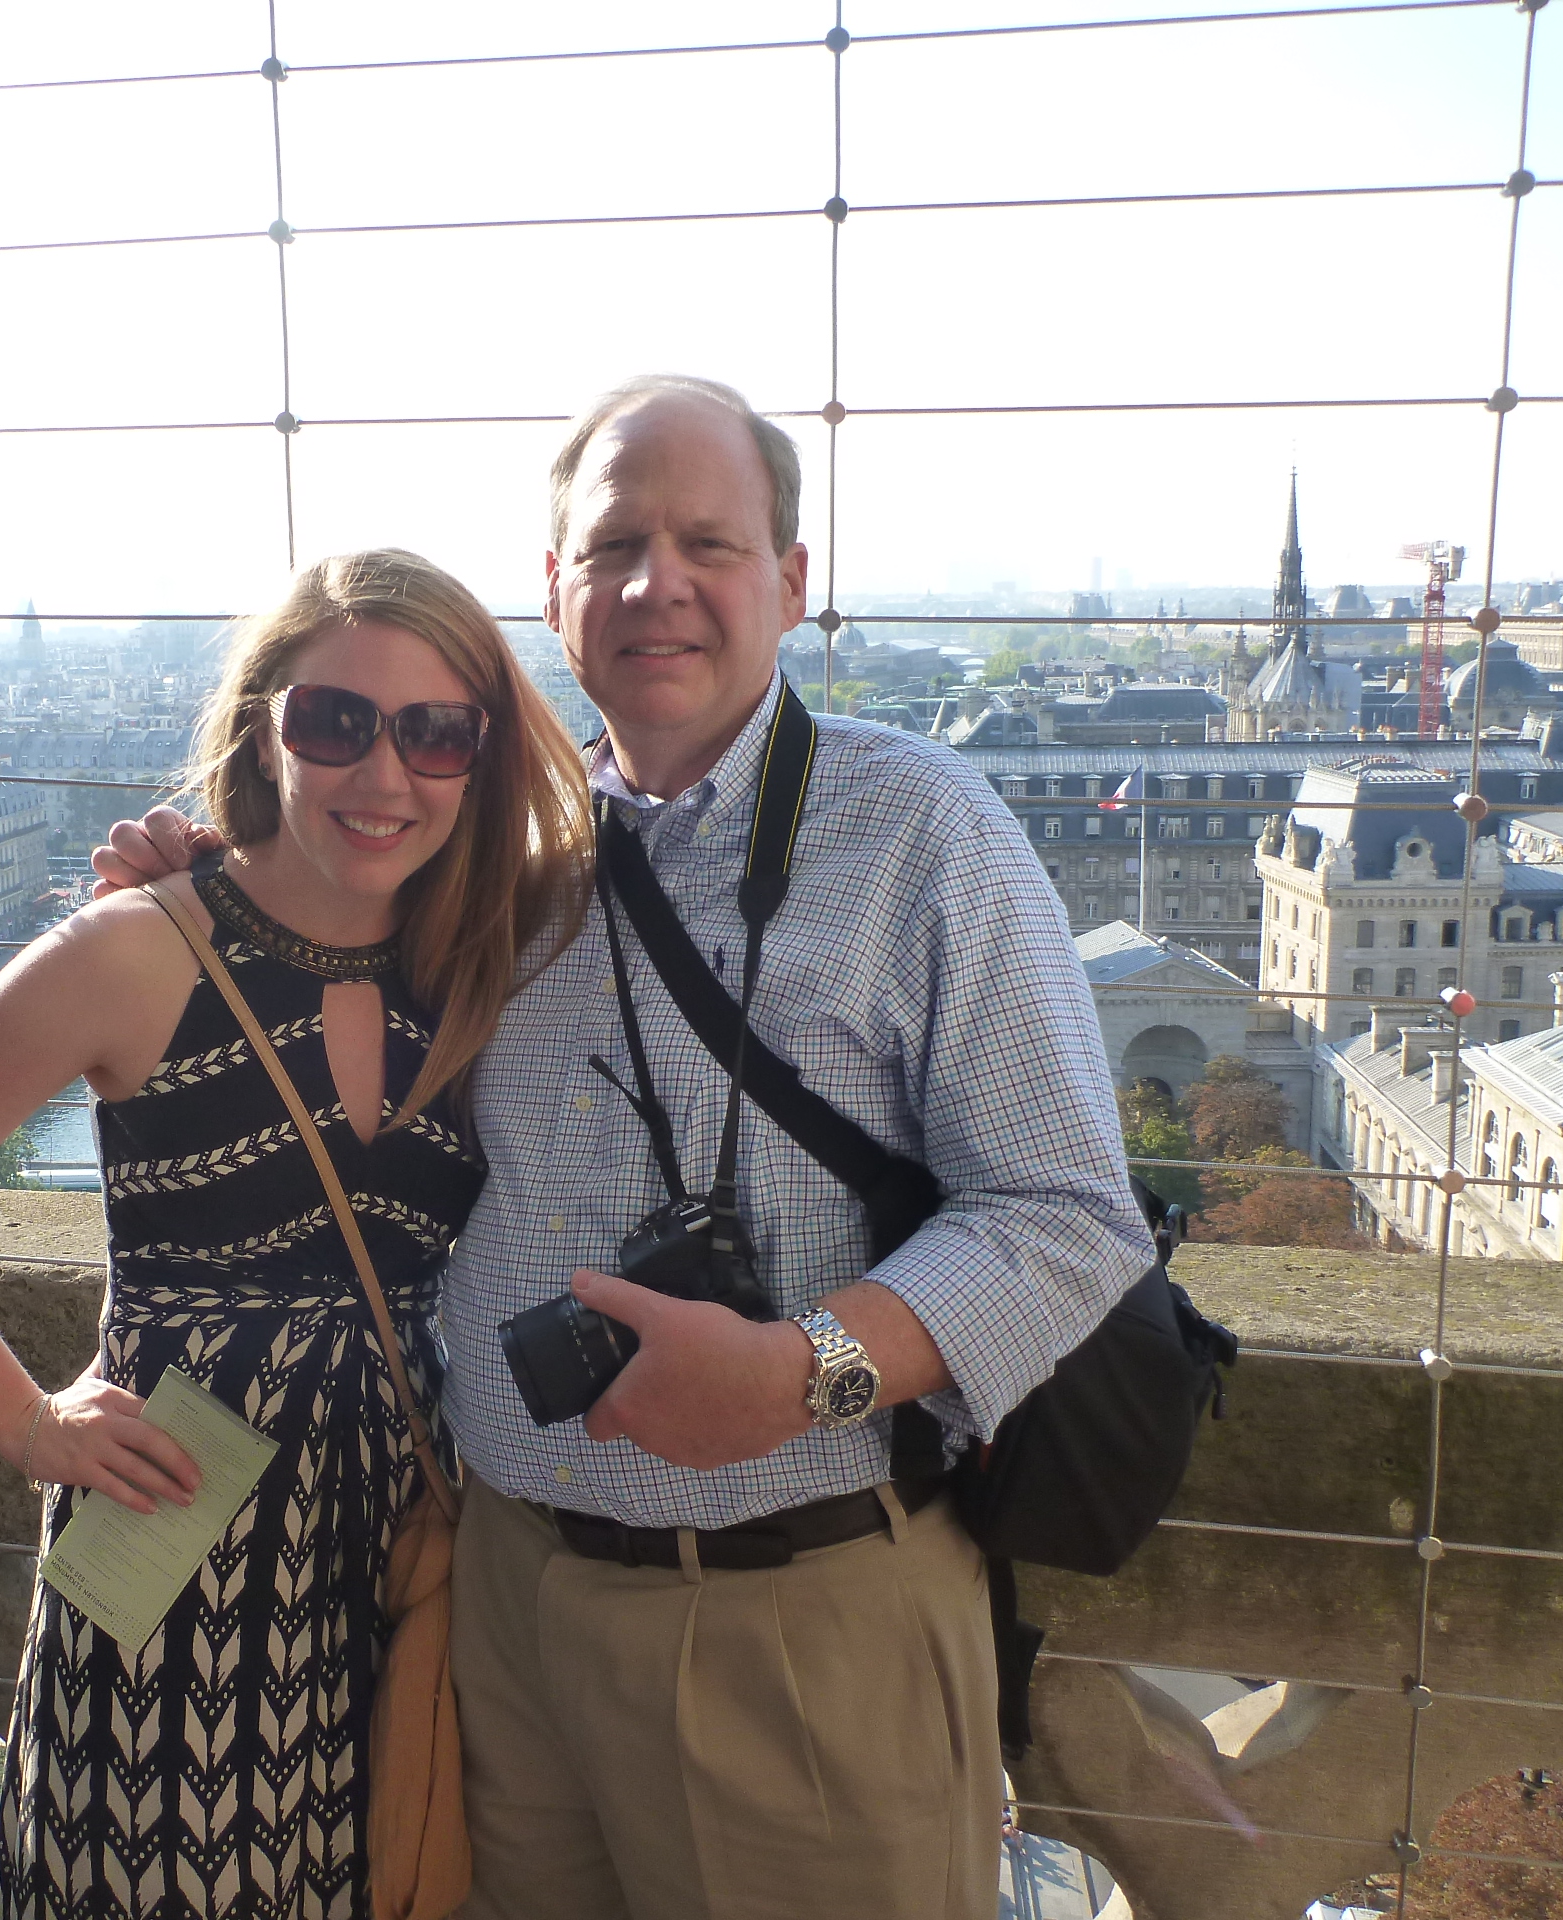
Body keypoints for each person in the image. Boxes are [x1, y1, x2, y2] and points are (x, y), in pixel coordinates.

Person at [93, 375, 1150, 1919]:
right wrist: (210, 889)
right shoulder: (495, 853)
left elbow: (1066, 1215)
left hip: (799, 1614)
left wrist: (800, 1372)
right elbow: (334, 994)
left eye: (711, 544)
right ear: (554, 591)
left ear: (793, 580)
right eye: (615, 547)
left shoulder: (925, 831)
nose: (660, 584)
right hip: (510, 1603)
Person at [0, 549, 590, 1920]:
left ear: (481, 755)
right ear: (262, 726)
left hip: (407, 1543)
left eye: (436, 732)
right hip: (169, 1544)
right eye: (335, 721)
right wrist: (28, 1421)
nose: (385, 773)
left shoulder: (486, 953)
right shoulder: (136, 951)